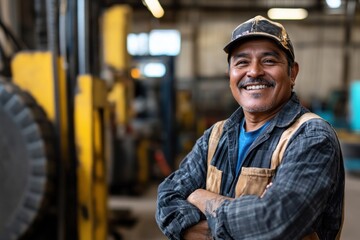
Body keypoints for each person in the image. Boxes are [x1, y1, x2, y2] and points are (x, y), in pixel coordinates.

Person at [155, 15, 345, 239]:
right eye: (242, 62)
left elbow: (274, 222)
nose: (254, 71)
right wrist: (244, 223)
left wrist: (200, 197)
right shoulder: (216, 136)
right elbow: (167, 199)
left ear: (292, 73)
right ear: (230, 75)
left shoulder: (311, 137)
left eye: (269, 61)